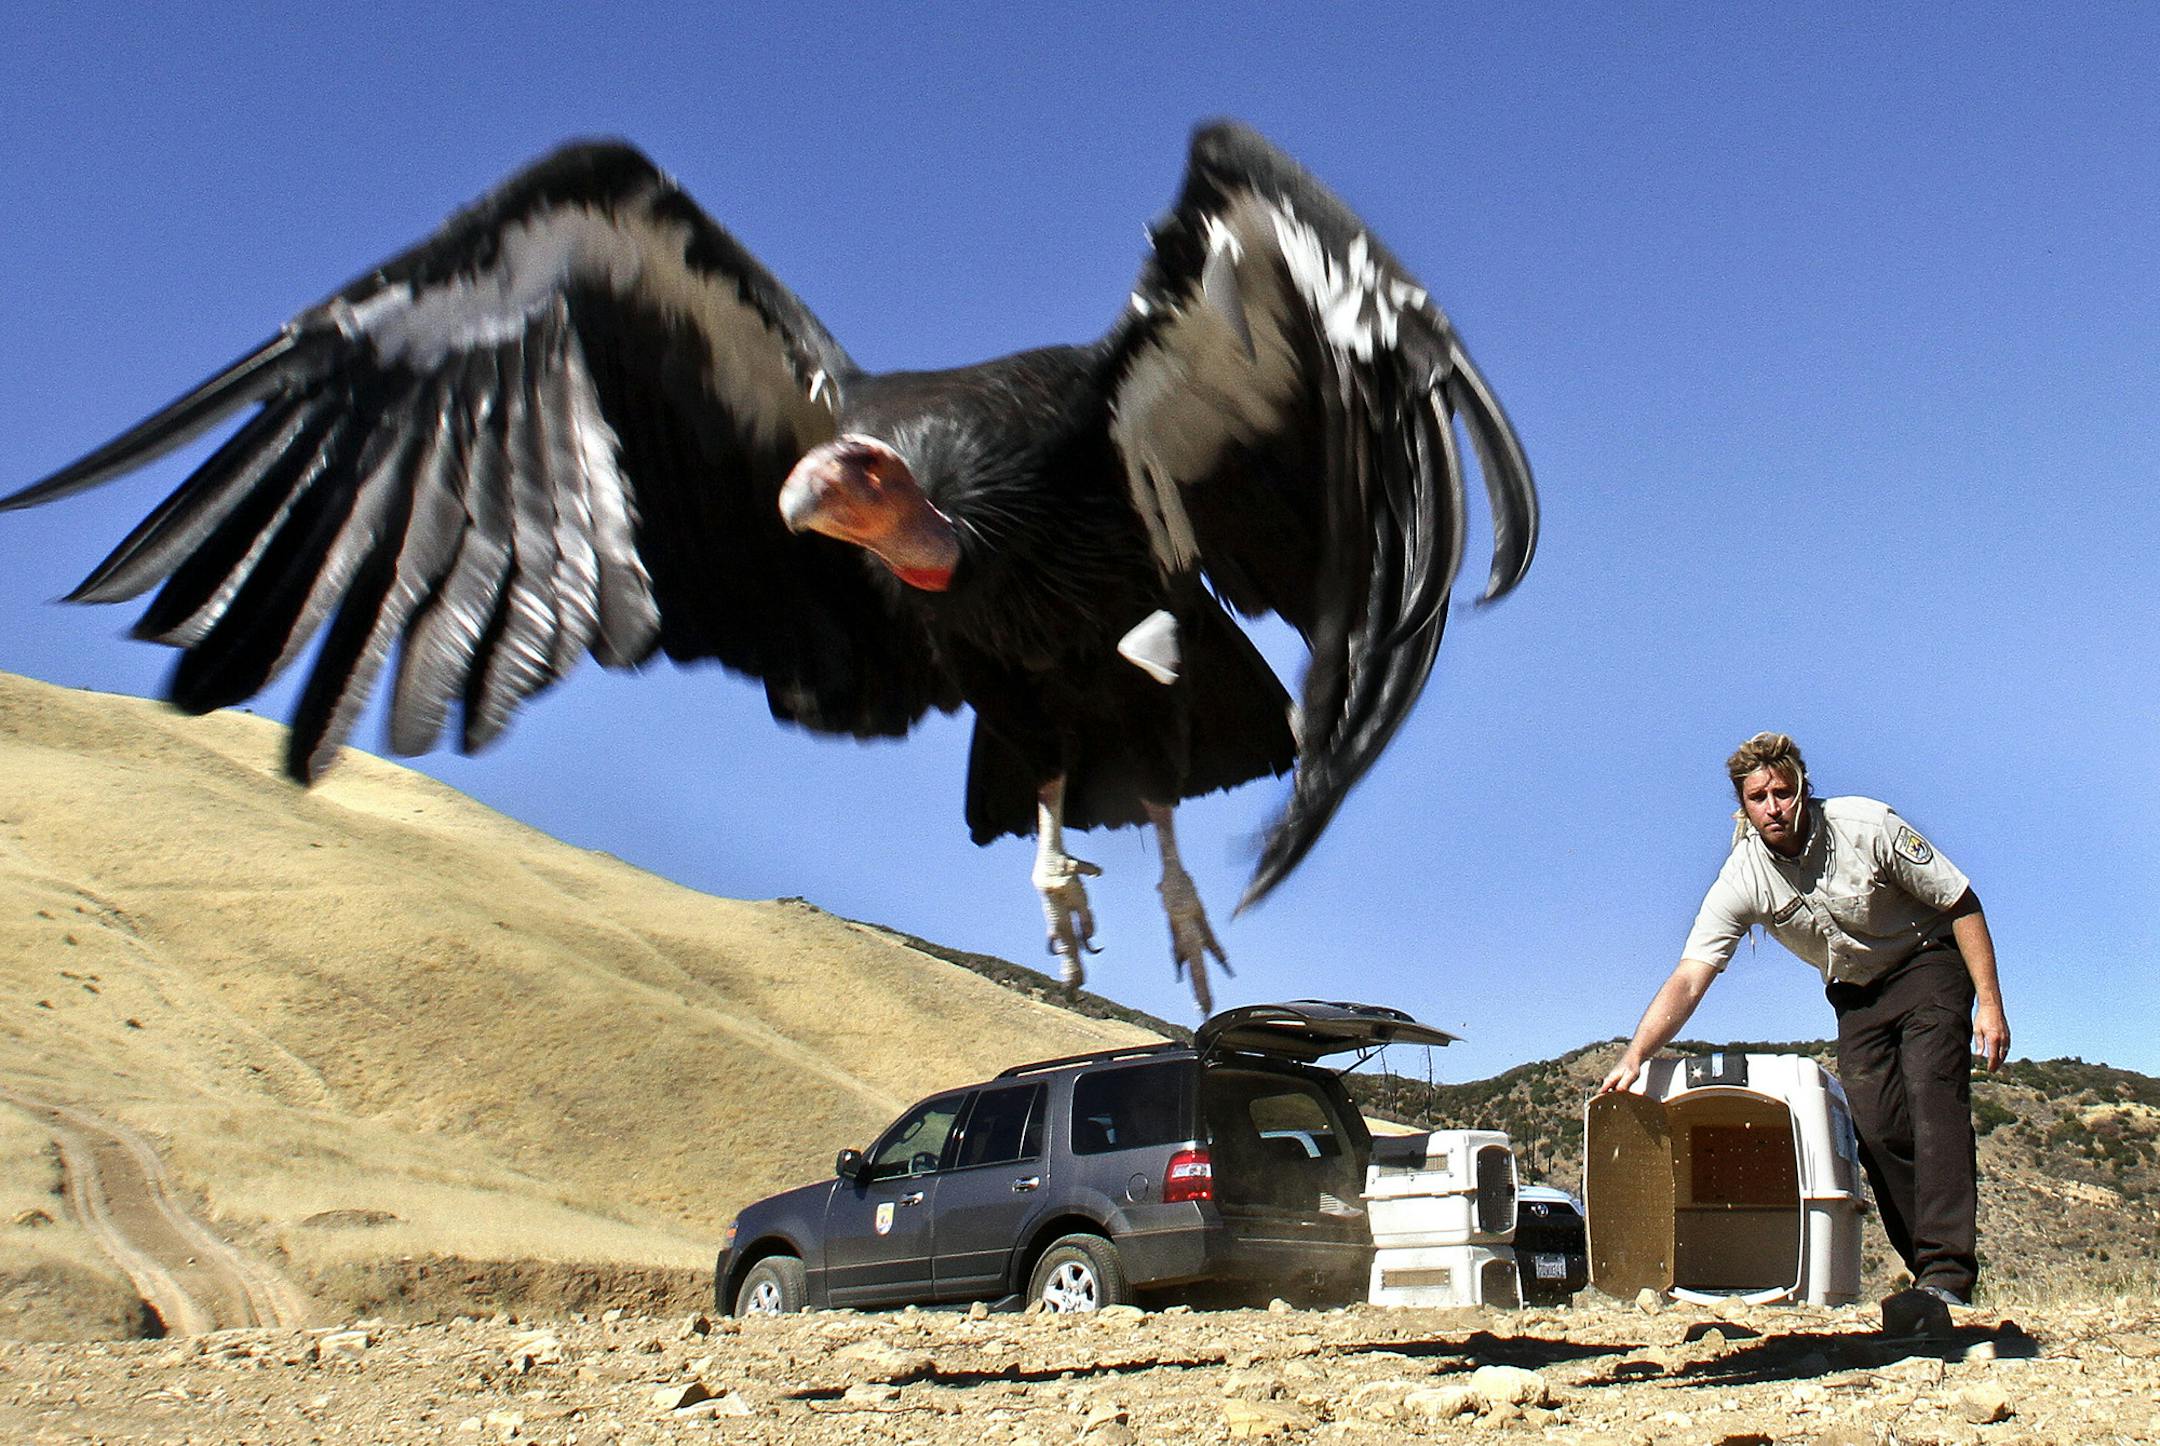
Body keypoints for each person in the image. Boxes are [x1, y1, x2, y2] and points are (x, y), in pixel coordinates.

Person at [1598, 732, 2010, 1312]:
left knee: (1931, 1099)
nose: (1773, 806)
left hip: (1927, 964)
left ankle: (1947, 1273)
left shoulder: (1865, 825)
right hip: (1856, 994)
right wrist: (1636, 1053)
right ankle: (1929, 1278)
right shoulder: (1743, 877)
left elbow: (1960, 900)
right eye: (1758, 797)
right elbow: (1691, 975)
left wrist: (1988, 1004)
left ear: (1803, 789)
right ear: (1743, 807)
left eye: (1783, 792)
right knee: (1874, 1125)